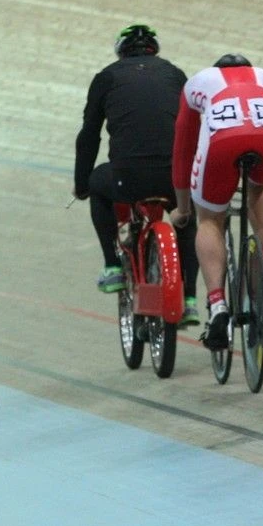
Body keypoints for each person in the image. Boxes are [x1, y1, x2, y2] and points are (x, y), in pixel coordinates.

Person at [74, 24, 199, 323]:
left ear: (121, 52)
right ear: (154, 50)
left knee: (97, 184)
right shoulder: (174, 73)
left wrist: (81, 184)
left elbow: (89, 135)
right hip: (175, 176)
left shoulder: (107, 77)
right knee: (186, 217)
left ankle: (113, 267)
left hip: (128, 177)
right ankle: (191, 299)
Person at [169, 54, 263, 351]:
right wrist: (262, 187)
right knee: (262, 188)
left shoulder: (196, 84)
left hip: (223, 141)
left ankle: (218, 306)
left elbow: (184, 149)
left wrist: (183, 207)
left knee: (210, 219)